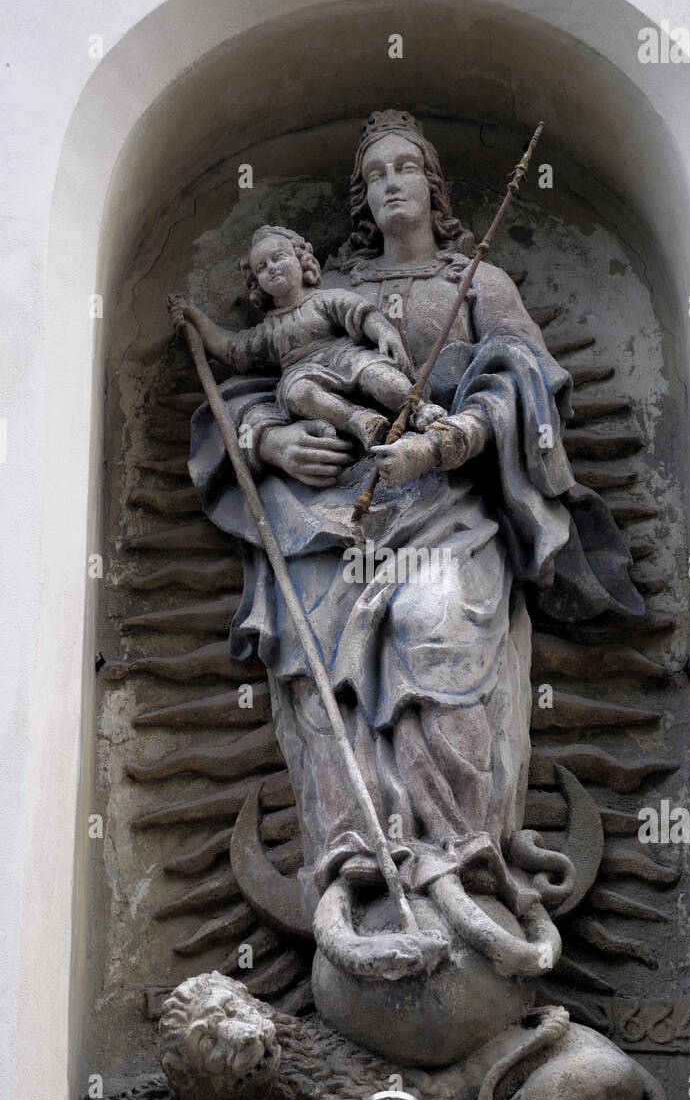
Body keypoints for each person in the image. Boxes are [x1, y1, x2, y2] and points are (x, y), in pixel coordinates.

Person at [186, 110, 643, 1013]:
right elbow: (248, 384)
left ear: (434, 186)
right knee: (329, 680)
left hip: (450, 509)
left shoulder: (478, 281)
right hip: (335, 521)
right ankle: (358, 865)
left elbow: (528, 385)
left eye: (408, 167)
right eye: (376, 173)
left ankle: (462, 858)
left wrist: (444, 445)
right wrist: (274, 443)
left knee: (433, 639)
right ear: (362, 198)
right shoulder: (327, 294)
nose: (392, 181)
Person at [168, 223, 444, 453]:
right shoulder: (268, 329)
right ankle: (361, 422)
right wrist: (196, 317)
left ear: (302, 261)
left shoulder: (325, 299)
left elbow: (361, 314)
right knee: (299, 394)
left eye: (279, 258)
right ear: (256, 282)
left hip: (343, 355)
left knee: (374, 371)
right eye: (262, 267)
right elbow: (232, 349)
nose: (272, 268)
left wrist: (384, 332)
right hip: (301, 371)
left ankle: (417, 408)